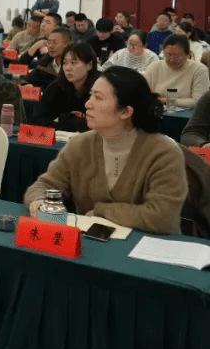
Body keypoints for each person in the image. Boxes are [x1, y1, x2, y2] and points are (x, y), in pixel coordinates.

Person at [24, 67, 187, 235]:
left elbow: (162, 217)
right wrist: (39, 202)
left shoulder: (164, 152)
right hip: (92, 244)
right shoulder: (80, 144)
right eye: (90, 95)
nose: (88, 104)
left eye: (98, 98)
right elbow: (44, 186)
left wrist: (102, 211)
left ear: (126, 112)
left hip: (150, 246)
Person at [31, 42, 99, 131]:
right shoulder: (57, 86)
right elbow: (38, 119)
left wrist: (67, 121)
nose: (67, 68)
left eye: (73, 63)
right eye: (65, 63)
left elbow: (102, 123)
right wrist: (66, 123)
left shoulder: (101, 88)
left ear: (89, 65)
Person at [142, 35, 210, 109]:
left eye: (177, 55)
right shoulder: (154, 67)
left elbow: (199, 101)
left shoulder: (199, 70)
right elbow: (143, 94)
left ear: (187, 55)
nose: (172, 59)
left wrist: (168, 101)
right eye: (168, 55)